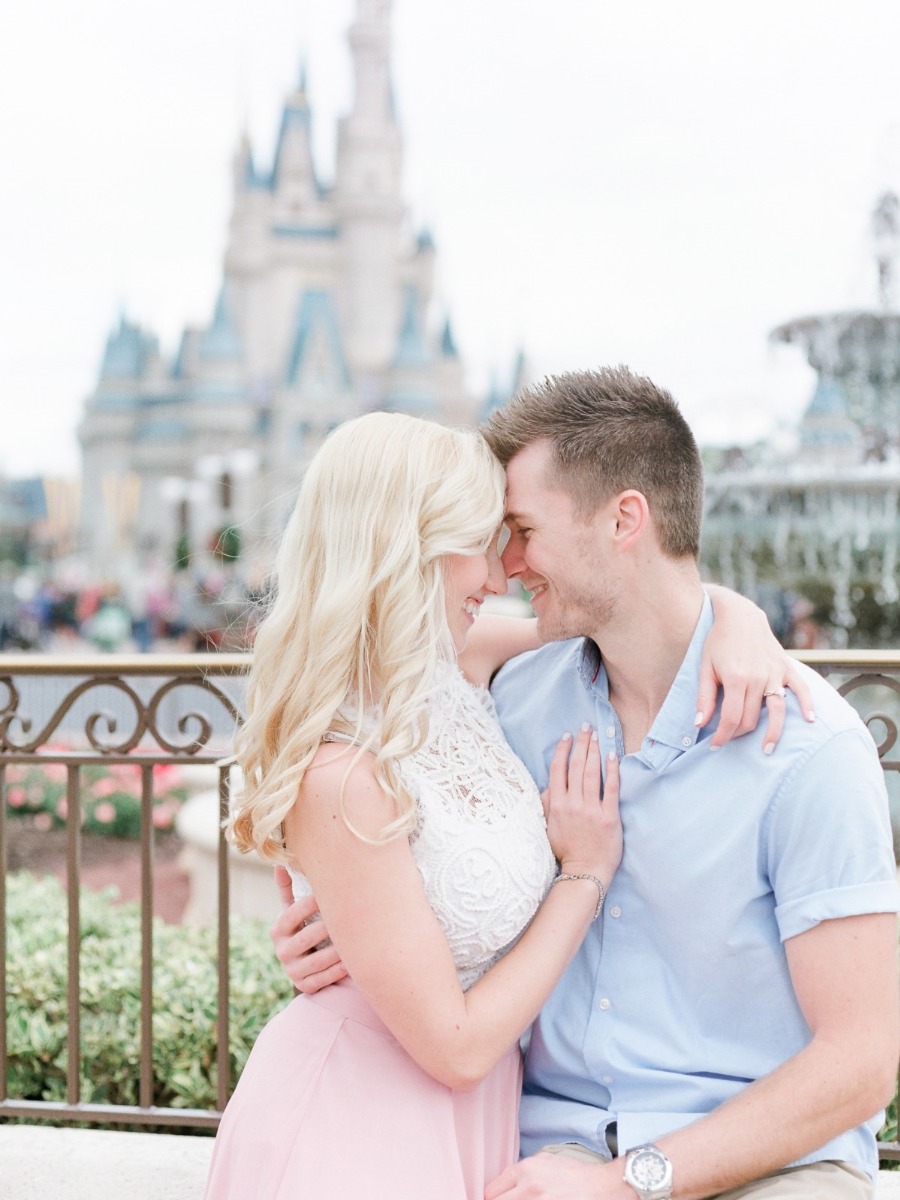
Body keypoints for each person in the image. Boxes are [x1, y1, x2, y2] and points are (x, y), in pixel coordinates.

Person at [279, 368, 899, 1200]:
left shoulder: (806, 750)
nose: (505, 565)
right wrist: (337, 930)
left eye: (522, 530)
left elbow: (862, 1063)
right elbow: (370, 778)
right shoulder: (512, 696)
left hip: (768, 1161)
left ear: (623, 519)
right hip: (550, 1144)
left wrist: (630, 1181)